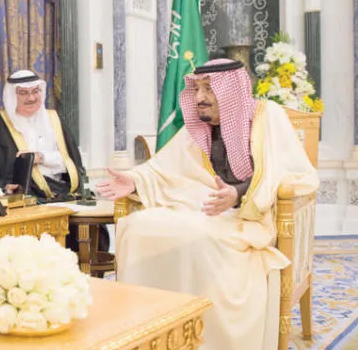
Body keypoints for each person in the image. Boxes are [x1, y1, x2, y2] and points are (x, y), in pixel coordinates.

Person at [97, 58, 319, 349]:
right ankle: (151, 332)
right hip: (205, 209)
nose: (199, 97)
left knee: (201, 237)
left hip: (250, 217)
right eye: (197, 89)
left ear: (231, 91)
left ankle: (211, 337)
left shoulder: (268, 118)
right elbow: (164, 168)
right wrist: (135, 180)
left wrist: (238, 193)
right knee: (138, 227)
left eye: (209, 89)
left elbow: (292, 174)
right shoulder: (197, 127)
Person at [0, 69, 109, 256]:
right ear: (12, 96)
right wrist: (5, 189)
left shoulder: (54, 120)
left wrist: (41, 158)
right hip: (26, 203)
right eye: (23, 93)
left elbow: (73, 162)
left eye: (35, 91)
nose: (31, 98)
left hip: (66, 196)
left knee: (92, 235)